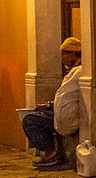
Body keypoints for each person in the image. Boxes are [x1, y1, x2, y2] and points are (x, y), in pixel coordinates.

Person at [22, 37, 82, 169]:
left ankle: (50, 153)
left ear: (74, 53)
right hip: (59, 113)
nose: (62, 57)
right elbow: (65, 97)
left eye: (65, 53)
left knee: (29, 120)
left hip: (67, 118)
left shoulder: (79, 73)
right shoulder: (72, 72)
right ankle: (48, 151)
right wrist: (48, 105)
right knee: (36, 114)